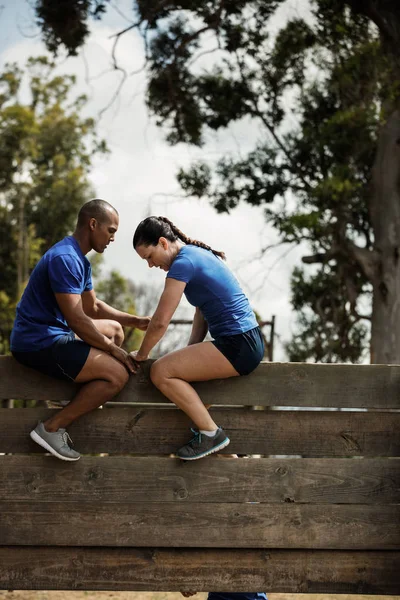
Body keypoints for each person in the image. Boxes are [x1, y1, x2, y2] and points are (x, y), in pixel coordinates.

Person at [10, 199, 150, 462]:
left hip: (53, 334)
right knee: (116, 376)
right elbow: (77, 320)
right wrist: (113, 351)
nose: (112, 238)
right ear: (93, 224)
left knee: (116, 330)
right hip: (37, 342)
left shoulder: (78, 260)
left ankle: (83, 396)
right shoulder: (65, 259)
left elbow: (93, 307)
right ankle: (52, 428)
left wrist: (136, 321)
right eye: (111, 231)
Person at [130, 216, 264, 460]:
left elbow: (160, 320)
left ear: (163, 243)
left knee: (160, 372)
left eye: (149, 257)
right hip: (244, 341)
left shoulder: (184, 263)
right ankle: (227, 458)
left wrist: (141, 355)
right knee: (194, 406)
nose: (150, 265)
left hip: (238, 343)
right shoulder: (194, 255)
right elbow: (201, 310)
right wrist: (190, 350)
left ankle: (212, 434)